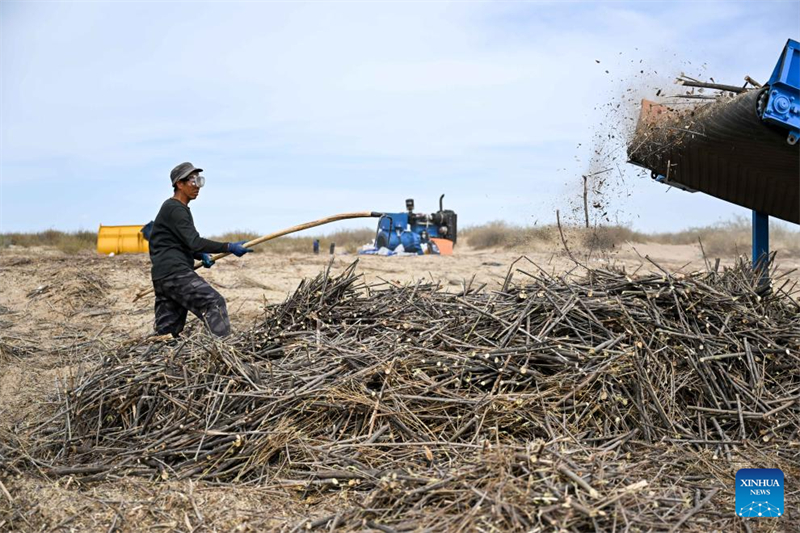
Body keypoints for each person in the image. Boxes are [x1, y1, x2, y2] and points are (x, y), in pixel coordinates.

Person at [148, 162, 252, 338]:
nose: (198, 186)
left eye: (200, 181)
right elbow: (194, 241)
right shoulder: (175, 208)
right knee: (214, 304)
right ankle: (223, 354)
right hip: (175, 274)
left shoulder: (174, 209)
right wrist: (229, 247)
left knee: (167, 334)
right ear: (179, 184)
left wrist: (199, 255)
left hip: (163, 276)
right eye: (193, 181)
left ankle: (159, 362)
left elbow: (177, 243)